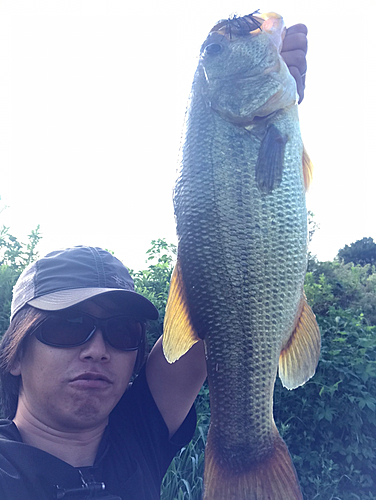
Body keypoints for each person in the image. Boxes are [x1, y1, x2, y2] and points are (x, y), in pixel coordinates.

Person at [0, 25, 308, 500]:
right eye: (67, 327)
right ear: (16, 352)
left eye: (122, 333)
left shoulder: (139, 430)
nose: (98, 350)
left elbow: (231, 313)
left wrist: (272, 119)